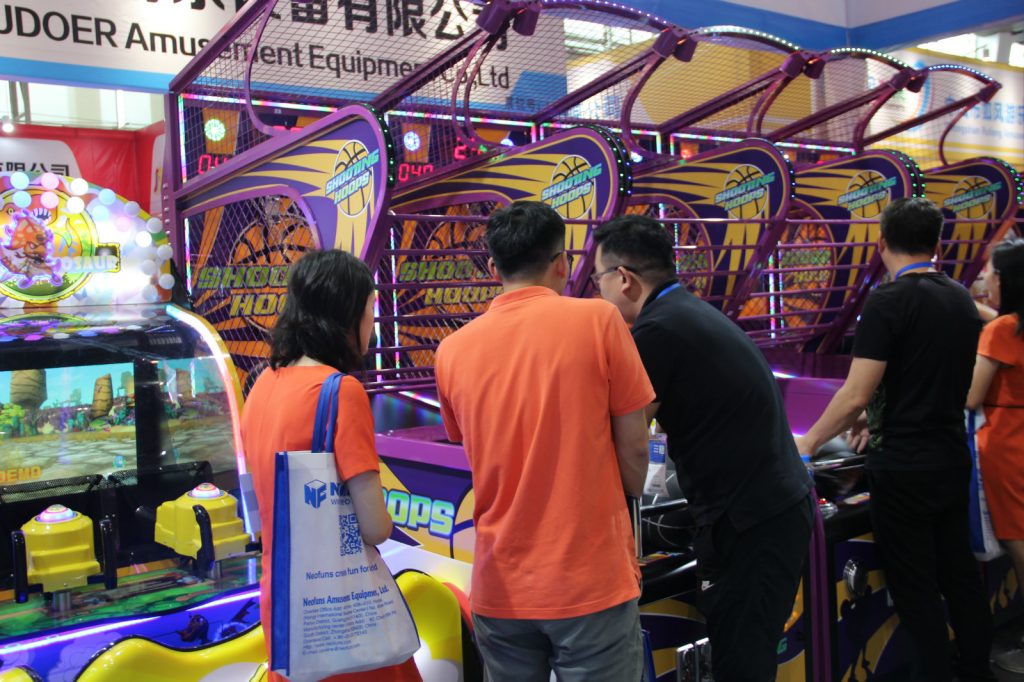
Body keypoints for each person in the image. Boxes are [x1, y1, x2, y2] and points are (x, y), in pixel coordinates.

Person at [434, 201, 653, 682]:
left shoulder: (451, 350)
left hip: (500, 587)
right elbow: (635, 448)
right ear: (562, 262)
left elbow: (471, 445)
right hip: (589, 579)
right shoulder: (599, 322)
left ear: (493, 268)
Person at [592, 214, 813, 682]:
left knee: (741, 659)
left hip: (752, 521)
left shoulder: (657, 333)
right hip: (770, 507)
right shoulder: (687, 312)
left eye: (598, 281)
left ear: (624, 279)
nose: (599, 294)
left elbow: (629, 437)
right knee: (747, 650)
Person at [795, 197, 994, 682]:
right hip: (950, 455)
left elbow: (855, 393)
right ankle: (975, 670)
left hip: (903, 465)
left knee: (914, 584)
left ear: (881, 243)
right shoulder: (960, 300)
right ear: (937, 243)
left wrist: (807, 443)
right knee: (960, 575)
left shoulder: (886, 301)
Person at [241, 250, 421, 682]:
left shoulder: (262, 383)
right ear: (347, 315)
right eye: (369, 310)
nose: (372, 324)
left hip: (282, 596)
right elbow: (375, 527)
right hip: (337, 608)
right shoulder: (341, 392)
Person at [966, 238, 1024, 672]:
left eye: (991, 272)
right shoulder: (1009, 325)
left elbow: (970, 397)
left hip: (1005, 445)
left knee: (1019, 547)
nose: (984, 277)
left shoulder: (1001, 332)